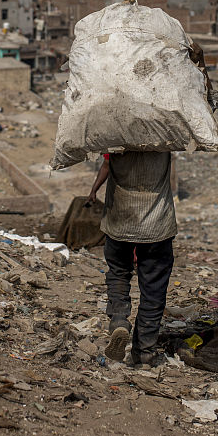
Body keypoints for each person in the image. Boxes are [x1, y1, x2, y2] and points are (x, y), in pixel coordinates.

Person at [87, 150, 176, 367]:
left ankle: (119, 319)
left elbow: (107, 166)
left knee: (118, 273)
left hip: (119, 220)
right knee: (153, 289)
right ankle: (144, 352)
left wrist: (94, 190)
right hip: (157, 226)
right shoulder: (165, 134)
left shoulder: (117, 133)